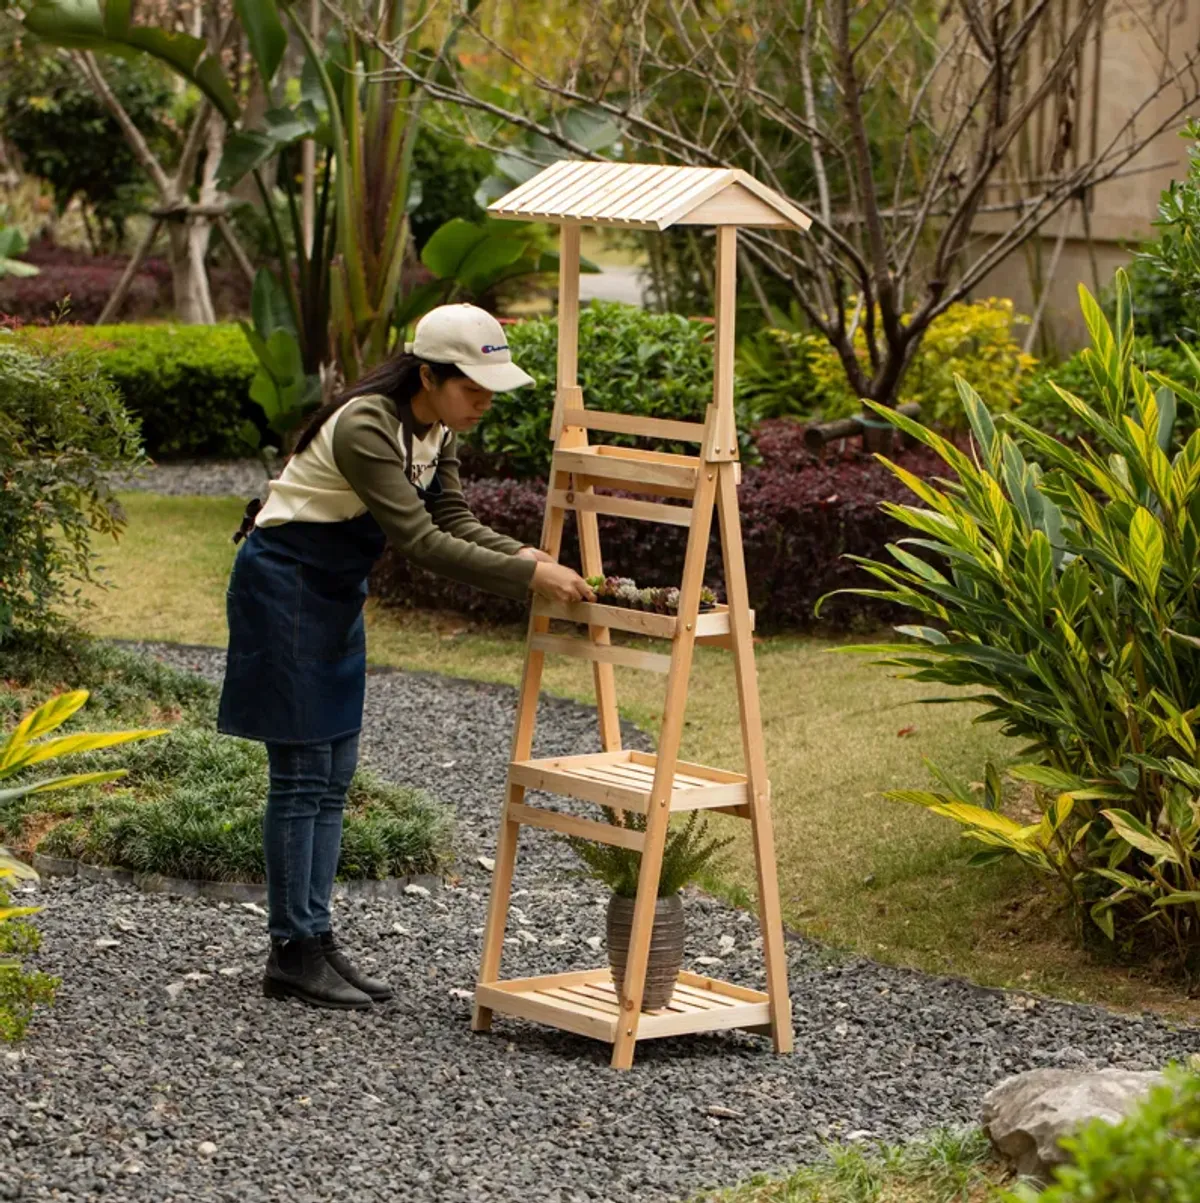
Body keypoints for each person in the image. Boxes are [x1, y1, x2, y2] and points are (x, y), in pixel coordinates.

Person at [217, 303, 595, 1011]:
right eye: (472, 389)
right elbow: (419, 541)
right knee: (300, 773)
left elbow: (452, 517)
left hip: (331, 591)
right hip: (285, 584)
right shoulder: (367, 424)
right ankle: (291, 949)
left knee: (334, 772)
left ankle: (316, 936)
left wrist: (523, 552)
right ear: (428, 374)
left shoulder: (437, 427)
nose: (483, 404)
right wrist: (528, 577)